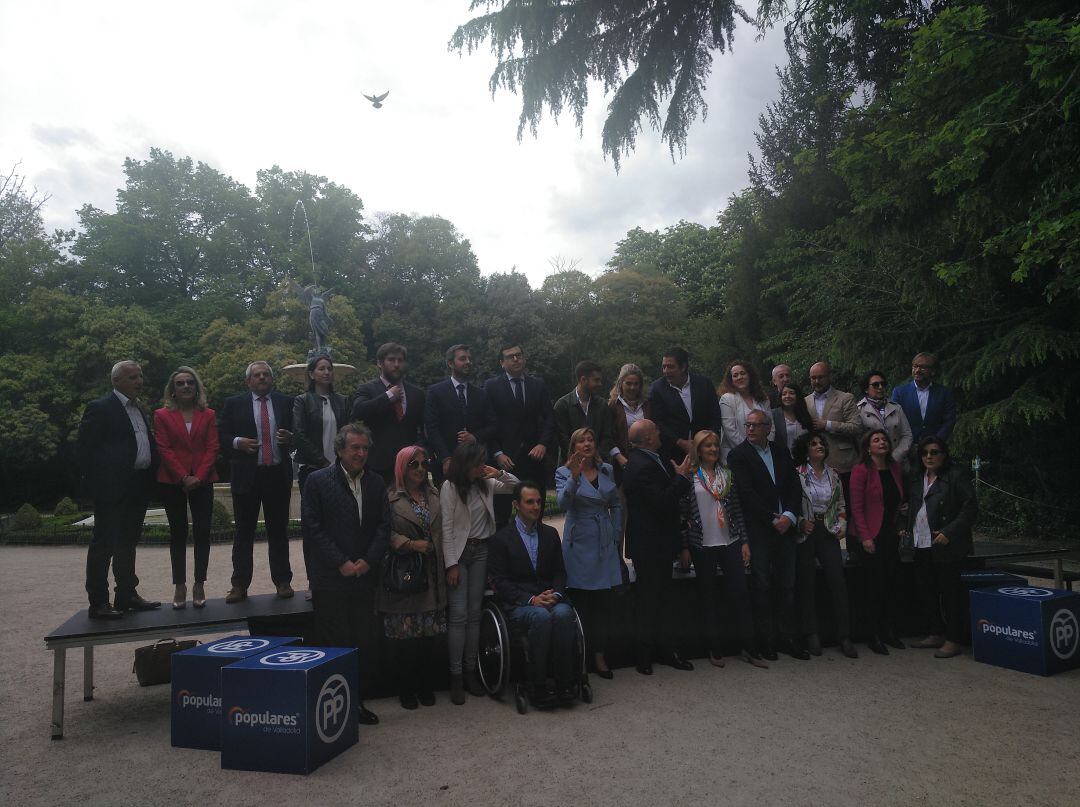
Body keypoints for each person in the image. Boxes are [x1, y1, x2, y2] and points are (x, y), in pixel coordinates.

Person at [301, 423, 387, 725]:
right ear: (340, 450)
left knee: (362, 641)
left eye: (365, 448)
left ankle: (356, 702)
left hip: (364, 577)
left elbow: (383, 528)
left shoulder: (376, 483)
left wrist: (367, 561)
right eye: (355, 448)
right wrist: (340, 562)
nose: (361, 453)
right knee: (333, 642)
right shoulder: (317, 481)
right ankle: (331, 707)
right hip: (330, 578)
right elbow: (312, 527)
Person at [77, 360, 161, 618]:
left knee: (128, 542)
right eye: (133, 377)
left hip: (138, 485)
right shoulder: (100, 408)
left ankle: (126, 594)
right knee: (104, 544)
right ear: (117, 381)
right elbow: (84, 451)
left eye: (140, 376)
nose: (139, 381)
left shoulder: (139, 409)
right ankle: (99, 602)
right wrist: (98, 486)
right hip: (111, 489)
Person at [678, 430, 766, 668]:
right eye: (707, 446)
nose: (713, 450)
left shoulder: (727, 475)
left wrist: (745, 541)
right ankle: (714, 647)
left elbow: (737, 510)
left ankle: (749, 647)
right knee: (708, 597)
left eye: (716, 446)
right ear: (698, 449)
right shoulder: (690, 477)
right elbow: (683, 515)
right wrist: (684, 546)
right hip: (702, 543)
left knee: (740, 594)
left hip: (730, 541)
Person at [439, 442, 519, 704]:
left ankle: (472, 671)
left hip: (482, 551)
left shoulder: (486, 483)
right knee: (458, 614)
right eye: (476, 463)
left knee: (474, 614)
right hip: (460, 555)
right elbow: (446, 529)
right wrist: (450, 564)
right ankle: (455, 675)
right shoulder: (450, 488)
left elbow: (515, 486)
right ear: (465, 464)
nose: (479, 467)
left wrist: (498, 473)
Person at [488, 482, 577, 708]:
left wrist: (556, 594)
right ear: (516, 505)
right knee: (541, 617)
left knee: (565, 614)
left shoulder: (550, 534)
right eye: (530, 502)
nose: (536, 506)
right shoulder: (501, 539)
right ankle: (537, 685)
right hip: (519, 603)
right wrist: (531, 600)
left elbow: (559, 571)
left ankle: (564, 682)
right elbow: (500, 581)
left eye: (538, 501)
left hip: (549, 597)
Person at [728, 410, 806, 660]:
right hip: (760, 528)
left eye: (755, 425)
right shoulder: (738, 455)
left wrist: (791, 516)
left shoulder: (781, 450)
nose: (750, 429)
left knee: (788, 585)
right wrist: (773, 519)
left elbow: (795, 486)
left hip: (787, 526)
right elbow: (746, 494)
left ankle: (788, 638)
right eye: (747, 425)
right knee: (761, 586)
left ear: (768, 427)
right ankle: (767, 640)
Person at [217, 361, 295, 603]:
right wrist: (237, 442)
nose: (262, 378)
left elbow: (297, 435)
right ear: (248, 381)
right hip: (247, 475)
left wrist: (290, 438)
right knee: (243, 532)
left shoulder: (286, 402)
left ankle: (283, 581)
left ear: (272, 379)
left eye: (266, 375)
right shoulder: (234, 403)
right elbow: (219, 434)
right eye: (257, 375)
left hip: (276, 473)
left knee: (279, 531)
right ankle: (239, 584)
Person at [622, 418, 695, 674]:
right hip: (649, 545)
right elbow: (661, 501)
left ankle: (666, 650)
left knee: (664, 599)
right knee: (649, 600)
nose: (660, 431)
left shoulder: (656, 457)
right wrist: (682, 479)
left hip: (661, 542)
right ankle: (644, 656)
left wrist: (675, 476)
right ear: (648, 438)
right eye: (656, 429)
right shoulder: (638, 466)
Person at [377, 445, 447, 709]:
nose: (420, 469)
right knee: (405, 640)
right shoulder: (389, 497)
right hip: (406, 574)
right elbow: (382, 532)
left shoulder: (435, 494)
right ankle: (406, 687)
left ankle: (424, 684)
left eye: (423, 463)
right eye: (413, 464)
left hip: (432, 573)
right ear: (401, 467)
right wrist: (408, 544)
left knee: (428, 637)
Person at [555, 427, 622, 679]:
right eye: (581, 440)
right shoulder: (563, 472)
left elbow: (615, 504)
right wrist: (574, 477)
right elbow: (562, 504)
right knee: (581, 603)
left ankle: (599, 655)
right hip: (579, 542)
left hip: (603, 541)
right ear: (573, 447)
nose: (586, 443)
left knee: (602, 605)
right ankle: (580, 655)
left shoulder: (606, 470)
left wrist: (615, 534)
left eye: (590, 439)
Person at [153, 366, 218, 610]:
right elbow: (164, 449)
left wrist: (198, 476)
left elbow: (213, 447)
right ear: (172, 390)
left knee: (202, 533)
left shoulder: (208, 414)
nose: (186, 386)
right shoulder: (161, 415)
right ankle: (179, 585)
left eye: (190, 382)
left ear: (196, 386)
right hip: (172, 481)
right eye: (180, 383)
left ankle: (199, 583)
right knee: (178, 534)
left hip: (203, 480)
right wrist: (183, 476)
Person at [906, 436, 977, 659]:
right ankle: (935, 632)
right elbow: (912, 507)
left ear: (944, 455)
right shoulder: (917, 477)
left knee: (950, 593)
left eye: (934, 452)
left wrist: (949, 531)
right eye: (925, 452)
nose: (929, 456)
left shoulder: (956, 475)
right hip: (921, 542)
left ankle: (953, 639)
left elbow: (970, 508)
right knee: (926, 589)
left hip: (947, 544)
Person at [792, 432, 857, 659]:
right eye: (813, 444)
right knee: (807, 582)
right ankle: (811, 633)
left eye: (822, 443)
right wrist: (800, 522)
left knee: (837, 581)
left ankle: (844, 635)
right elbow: (790, 502)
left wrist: (841, 525)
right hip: (806, 532)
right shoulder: (797, 473)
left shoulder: (834, 474)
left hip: (828, 531)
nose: (819, 446)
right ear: (805, 449)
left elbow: (840, 502)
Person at [483, 343, 555, 527]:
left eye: (518, 355)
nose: (515, 359)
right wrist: (497, 453)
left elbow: (549, 418)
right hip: (505, 461)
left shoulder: (537, 384)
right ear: (501, 362)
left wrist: (543, 444)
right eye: (510, 356)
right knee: (501, 516)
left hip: (533, 459)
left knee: (535, 514)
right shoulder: (491, 386)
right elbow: (487, 424)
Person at [848, 428, 906, 655]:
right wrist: (865, 537)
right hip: (870, 534)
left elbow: (896, 500)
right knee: (873, 586)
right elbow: (857, 507)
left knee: (891, 583)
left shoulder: (895, 468)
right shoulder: (861, 470)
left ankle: (889, 630)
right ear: (868, 447)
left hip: (890, 533)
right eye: (876, 440)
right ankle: (872, 634)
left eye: (884, 439)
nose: (882, 442)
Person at [350, 342, 426, 487]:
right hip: (377, 467)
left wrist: (419, 450)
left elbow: (424, 428)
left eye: (400, 360)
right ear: (380, 363)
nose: (396, 364)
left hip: (410, 466)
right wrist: (388, 396)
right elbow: (358, 412)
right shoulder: (367, 389)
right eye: (391, 360)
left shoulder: (417, 394)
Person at [424, 344, 496, 485]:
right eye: (463, 358)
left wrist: (475, 437)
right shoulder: (436, 392)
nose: (468, 362)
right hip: (447, 464)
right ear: (450, 363)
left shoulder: (481, 394)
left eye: (469, 358)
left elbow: (493, 425)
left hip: (476, 464)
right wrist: (445, 458)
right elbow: (432, 428)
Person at [647, 347, 723, 463]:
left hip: (705, 450)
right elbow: (658, 421)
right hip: (673, 452)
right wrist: (680, 442)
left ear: (683, 367)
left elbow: (715, 415)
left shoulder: (704, 384)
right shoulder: (657, 388)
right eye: (664, 366)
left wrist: (707, 440)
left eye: (670, 367)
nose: (666, 371)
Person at [292, 355, 350, 492]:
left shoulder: (343, 401)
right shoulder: (302, 401)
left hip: (341, 467)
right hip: (312, 468)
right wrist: (322, 461)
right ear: (311, 374)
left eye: (329, 369)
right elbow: (299, 434)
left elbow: (348, 432)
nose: (326, 372)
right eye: (321, 369)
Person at [806, 361, 863, 497]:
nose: (817, 381)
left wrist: (827, 425)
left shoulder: (845, 398)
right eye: (813, 378)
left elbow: (857, 427)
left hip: (843, 464)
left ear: (830, 377)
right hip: (815, 466)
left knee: (846, 507)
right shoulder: (805, 401)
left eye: (821, 377)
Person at [553, 360, 616, 464]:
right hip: (570, 466)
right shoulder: (562, 405)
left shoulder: (602, 405)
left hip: (598, 464)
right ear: (583, 380)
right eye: (596, 380)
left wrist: (595, 457)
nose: (600, 384)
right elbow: (562, 440)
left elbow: (607, 436)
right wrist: (578, 459)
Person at [891, 352, 957, 443]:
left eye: (922, 367)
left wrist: (935, 442)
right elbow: (895, 421)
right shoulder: (900, 392)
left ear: (933, 371)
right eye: (915, 366)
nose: (917, 370)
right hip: (907, 449)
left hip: (935, 449)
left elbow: (949, 421)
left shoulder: (944, 393)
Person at [718, 359, 773, 462]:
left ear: (750, 375)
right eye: (735, 375)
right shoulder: (727, 399)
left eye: (743, 373)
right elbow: (730, 432)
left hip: (765, 454)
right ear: (731, 380)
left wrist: (766, 448)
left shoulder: (763, 399)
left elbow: (771, 427)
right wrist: (751, 452)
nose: (739, 377)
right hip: (737, 455)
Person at [855, 370, 912, 465]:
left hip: (898, 461)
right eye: (875, 385)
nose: (880, 387)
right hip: (872, 463)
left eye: (883, 384)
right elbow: (858, 439)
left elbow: (907, 435)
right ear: (866, 389)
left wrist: (896, 456)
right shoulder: (859, 410)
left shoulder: (896, 408)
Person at [607, 363, 652, 484]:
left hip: (647, 458)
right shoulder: (613, 406)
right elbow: (608, 435)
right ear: (621, 383)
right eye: (628, 383)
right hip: (623, 460)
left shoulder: (647, 404)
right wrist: (618, 457)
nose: (632, 387)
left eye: (636, 384)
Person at [771, 382, 814, 452]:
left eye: (791, 393)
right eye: (784, 394)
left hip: (804, 459)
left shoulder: (805, 414)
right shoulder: (774, 415)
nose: (787, 396)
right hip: (782, 459)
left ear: (798, 396)